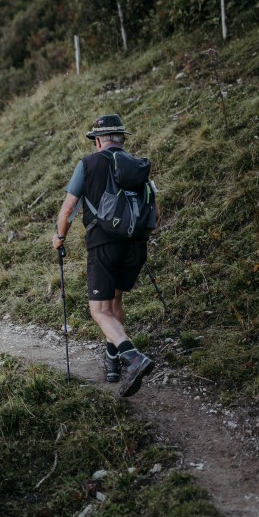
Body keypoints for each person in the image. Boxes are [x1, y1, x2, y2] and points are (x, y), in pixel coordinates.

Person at [52, 114, 158, 397]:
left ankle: (132, 357)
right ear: (121, 139)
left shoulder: (88, 164)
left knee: (98, 311)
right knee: (114, 301)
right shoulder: (137, 165)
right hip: (136, 245)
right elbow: (154, 212)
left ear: (98, 140)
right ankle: (112, 361)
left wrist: (59, 237)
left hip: (103, 245)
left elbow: (67, 210)